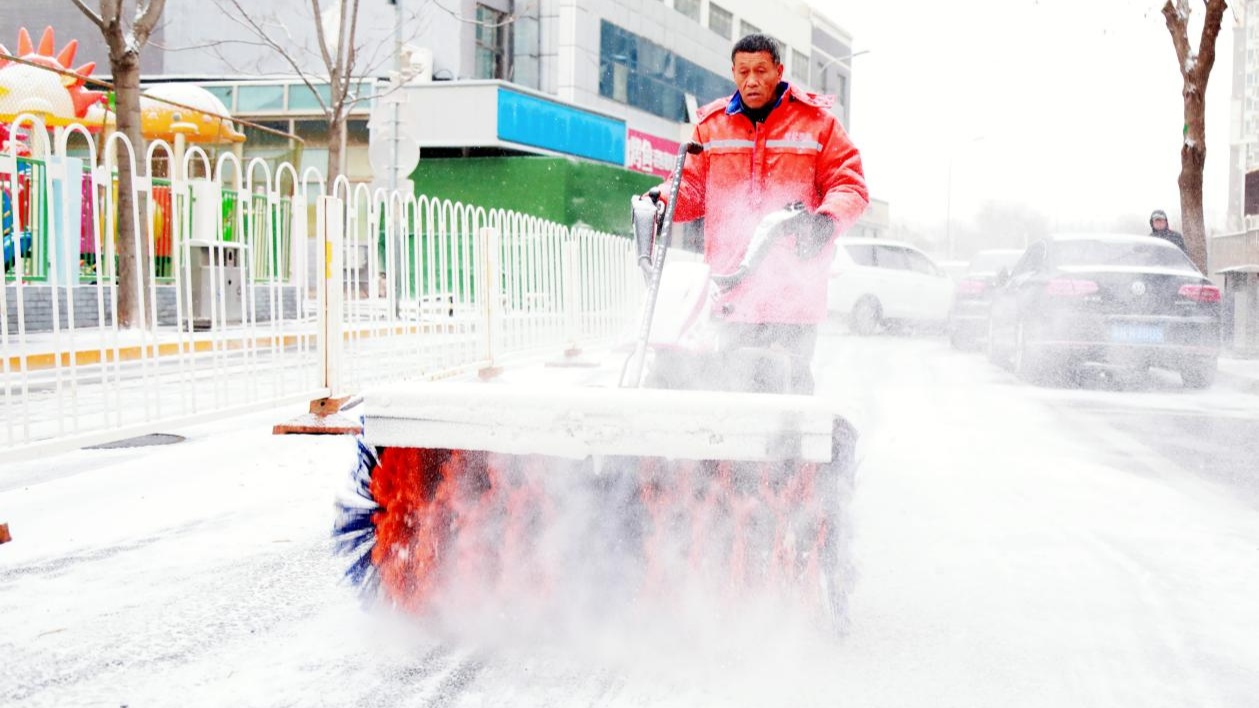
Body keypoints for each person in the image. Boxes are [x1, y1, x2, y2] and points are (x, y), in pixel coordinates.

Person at [664, 33, 869, 394]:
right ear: (733, 73)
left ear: (779, 71)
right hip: (732, 290)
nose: (752, 80)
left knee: (789, 388)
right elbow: (690, 188)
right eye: (743, 72)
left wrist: (826, 221)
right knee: (729, 388)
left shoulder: (817, 125)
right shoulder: (711, 127)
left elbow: (848, 183)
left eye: (761, 70)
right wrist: (660, 202)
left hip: (793, 294)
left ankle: (797, 432)